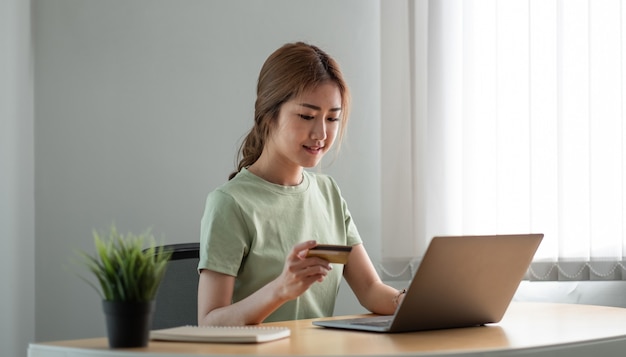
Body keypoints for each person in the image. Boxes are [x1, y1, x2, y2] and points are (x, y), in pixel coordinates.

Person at [197, 42, 404, 326]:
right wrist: (281, 289)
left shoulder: (327, 193)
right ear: (269, 114)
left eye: (332, 118)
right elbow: (210, 322)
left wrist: (411, 302)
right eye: (307, 116)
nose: (321, 133)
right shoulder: (230, 203)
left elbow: (370, 290)